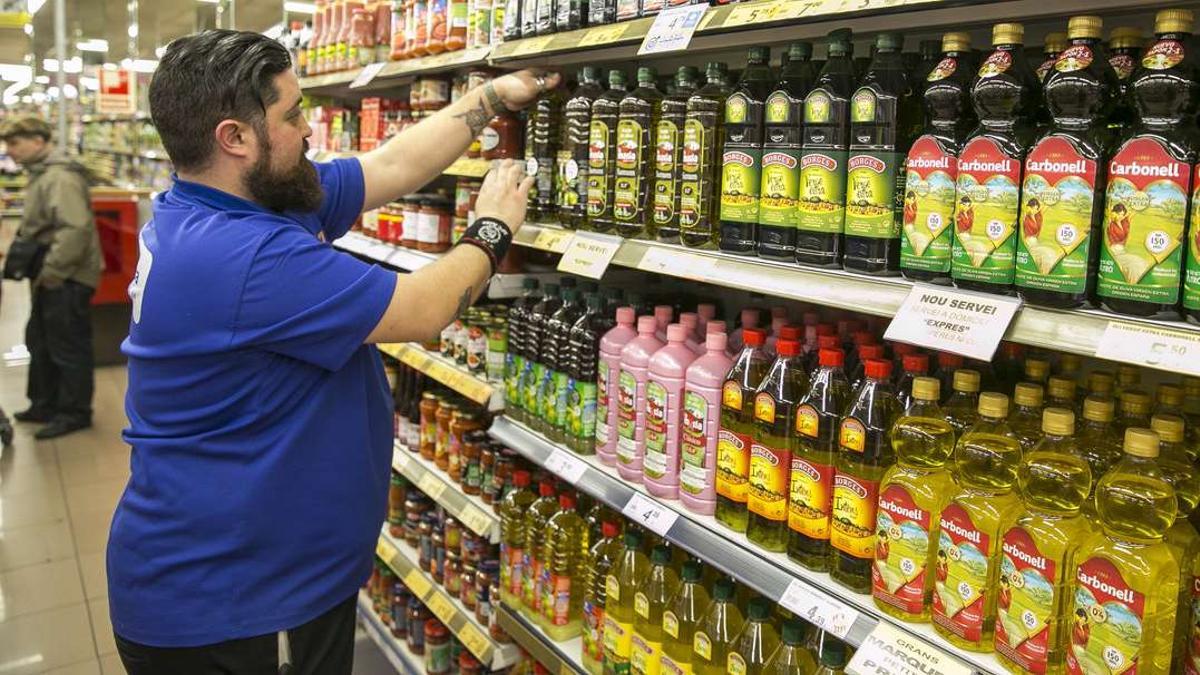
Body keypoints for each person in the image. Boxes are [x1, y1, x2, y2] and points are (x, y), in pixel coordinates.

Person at [109, 29, 559, 674]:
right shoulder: (242, 256)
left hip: (269, 573)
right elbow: (426, 308)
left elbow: (392, 167)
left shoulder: (239, 204)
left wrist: (492, 96)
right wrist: (493, 227)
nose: (309, 128)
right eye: (292, 115)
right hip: (234, 605)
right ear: (235, 137)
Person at [0, 116, 102, 440]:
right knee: (41, 340)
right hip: (51, 272)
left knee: (67, 345)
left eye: (16, 143)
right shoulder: (43, 174)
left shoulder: (60, 177)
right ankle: (45, 403)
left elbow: (75, 229)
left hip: (67, 275)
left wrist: (54, 273)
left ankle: (74, 412)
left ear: (39, 141)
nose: (10, 151)